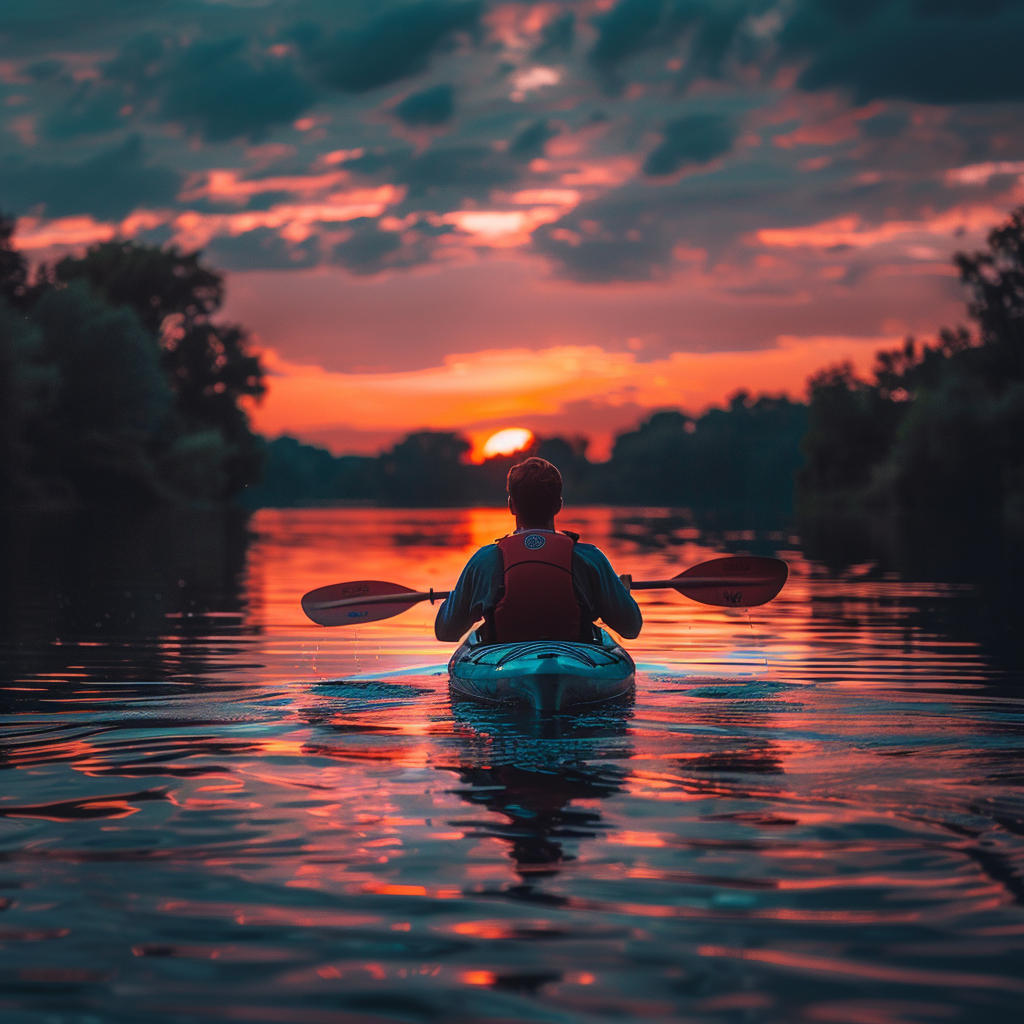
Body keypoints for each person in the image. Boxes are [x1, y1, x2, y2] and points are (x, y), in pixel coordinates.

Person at [434, 457, 642, 644]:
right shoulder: (591, 558)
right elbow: (631, 628)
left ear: (511, 505)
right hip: (576, 665)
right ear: (558, 505)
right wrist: (622, 592)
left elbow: (446, 632)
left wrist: (462, 596)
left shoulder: (484, 560)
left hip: (502, 670)